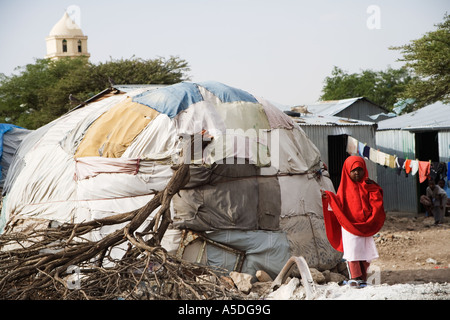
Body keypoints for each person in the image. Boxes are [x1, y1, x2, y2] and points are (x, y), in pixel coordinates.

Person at [321, 156, 386, 288]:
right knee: (353, 251)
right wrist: (328, 197)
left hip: (366, 225)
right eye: (353, 170)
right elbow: (338, 203)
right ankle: (355, 277)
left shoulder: (369, 186)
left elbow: (377, 201)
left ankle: (363, 277)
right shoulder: (343, 189)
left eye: (360, 170)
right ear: (347, 171)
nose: (357, 173)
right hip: (349, 226)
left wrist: (373, 190)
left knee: (365, 252)